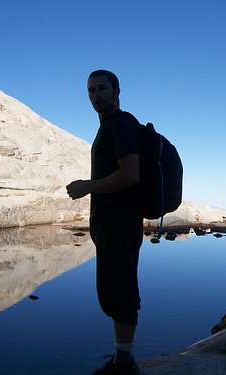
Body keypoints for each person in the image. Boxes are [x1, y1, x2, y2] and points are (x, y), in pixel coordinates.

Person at [66, 69, 143, 375]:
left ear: (116, 91)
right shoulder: (107, 127)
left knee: (121, 291)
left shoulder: (122, 125)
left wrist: (87, 186)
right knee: (112, 290)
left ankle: (124, 364)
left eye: (101, 89)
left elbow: (130, 174)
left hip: (121, 222)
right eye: (91, 91)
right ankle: (120, 358)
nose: (96, 95)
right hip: (109, 223)